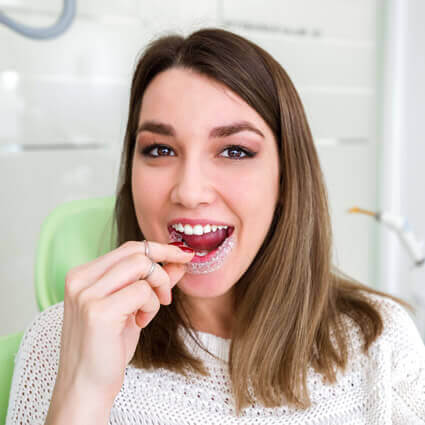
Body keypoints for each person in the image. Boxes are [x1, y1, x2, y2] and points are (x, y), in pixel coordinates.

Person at [6, 28, 425, 425]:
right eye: (161, 149)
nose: (189, 191)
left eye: (235, 151)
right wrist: (84, 391)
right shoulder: (62, 339)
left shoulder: (382, 341)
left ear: (286, 179)